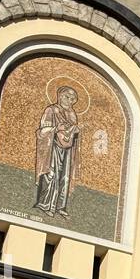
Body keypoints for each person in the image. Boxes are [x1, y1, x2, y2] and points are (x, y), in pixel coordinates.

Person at [35, 86, 81, 217]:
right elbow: (42, 131)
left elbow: (73, 131)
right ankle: (46, 204)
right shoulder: (51, 110)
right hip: (52, 147)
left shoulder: (72, 114)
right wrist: (56, 128)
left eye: (73, 99)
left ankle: (60, 206)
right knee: (51, 174)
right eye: (67, 97)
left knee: (65, 177)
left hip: (67, 149)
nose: (70, 101)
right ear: (60, 96)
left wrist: (75, 130)